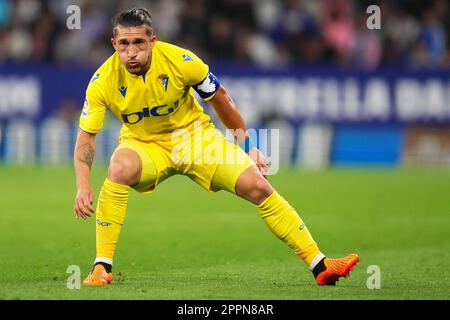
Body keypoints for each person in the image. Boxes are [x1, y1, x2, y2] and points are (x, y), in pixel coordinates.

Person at [73, 8, 358, 287]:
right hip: (145, 146)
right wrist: (83, 184)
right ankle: (102, 267)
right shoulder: (102, 81)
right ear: (114, 44)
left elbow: (221, 100)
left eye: (139, 43)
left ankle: (320, 265)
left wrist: (248, 145)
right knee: (119, 167)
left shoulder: (182, 61)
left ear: (153, 41)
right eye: (124, 44)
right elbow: (86, 138)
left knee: (257, 185)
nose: (131, 51)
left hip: (196, 140)